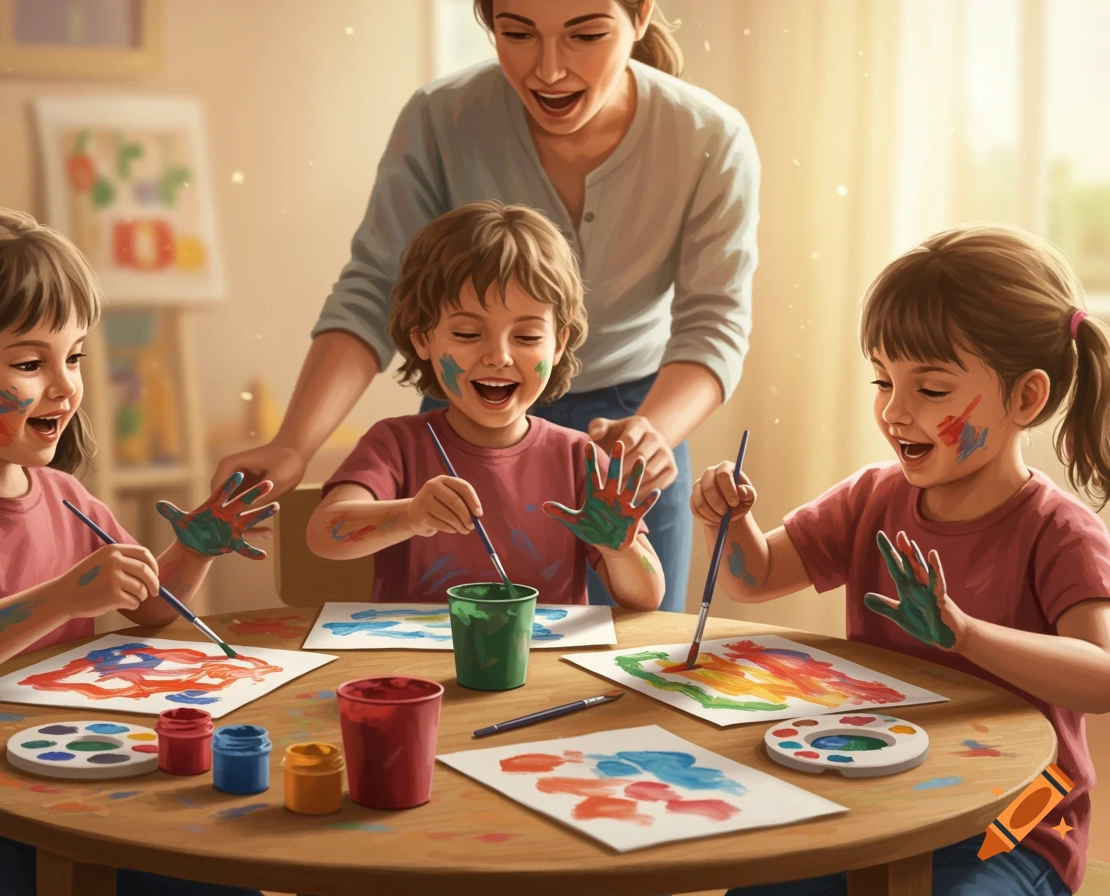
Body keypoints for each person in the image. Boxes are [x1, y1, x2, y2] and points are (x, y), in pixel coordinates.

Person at [214, 0, 761, 614]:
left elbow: (713, 323)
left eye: (584, 35)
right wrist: (294, 444)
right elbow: (373, 289)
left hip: (638, 418)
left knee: (628, 658)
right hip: (461, 410)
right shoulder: (440, 118)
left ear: (640, 16)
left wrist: (651, 432)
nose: (549, 71)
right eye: (518, 33)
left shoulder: (710, 136)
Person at [0, 205, 275, 896]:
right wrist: (66, 596)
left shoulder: (67, 496)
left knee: (223, 881)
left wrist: (193, 552)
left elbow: (152, 609)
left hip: (64, 793)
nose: (66, 388)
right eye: (31, 362)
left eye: (74, 357)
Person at [692, 224, 1110, 896]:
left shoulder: (1059, 531)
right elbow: (754, 580)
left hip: (1011, 828)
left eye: (933, 390)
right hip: (874, 804)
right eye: (883, 380)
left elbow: (1101, 679)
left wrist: (965, 635)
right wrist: (729, 522)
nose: (894, 411)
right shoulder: (871, 498)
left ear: (1025, 398)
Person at [307, 201, 665, 611]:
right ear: (423, 338)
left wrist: (620, 551)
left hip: (543, 671)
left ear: (559, 342)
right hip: (415, 670)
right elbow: (323, 534)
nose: (499, 356)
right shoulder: (396, 444)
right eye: (466, 333)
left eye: (528, 337)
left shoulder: (578, 457)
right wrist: (410, 516)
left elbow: (646, 598)